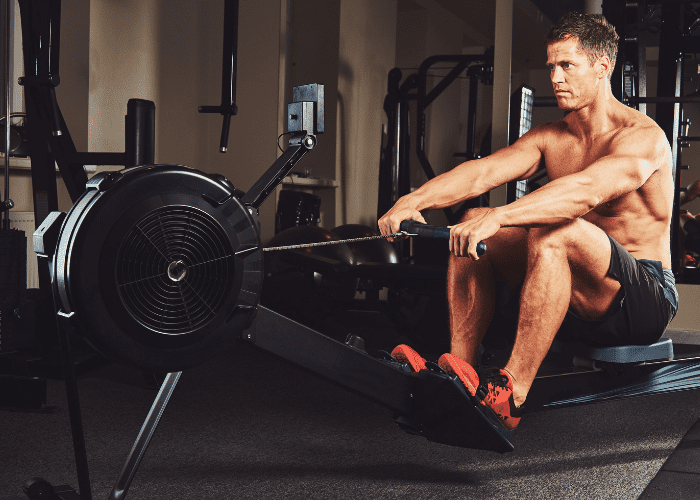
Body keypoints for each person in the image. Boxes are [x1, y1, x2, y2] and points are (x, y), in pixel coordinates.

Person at [378, 12, 678, 430]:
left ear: (602, 67)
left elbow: (586, 192)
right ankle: (460, 372)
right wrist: (412, 199)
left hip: (640, 300)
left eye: (567, 65)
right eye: (552, 65)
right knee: (472, 223)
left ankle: (510, 395)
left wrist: (499, 216)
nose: (555, 76)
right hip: (576, 293)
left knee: (556, 228)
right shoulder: (553, 136)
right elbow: (483, 172)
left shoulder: (642, 137)